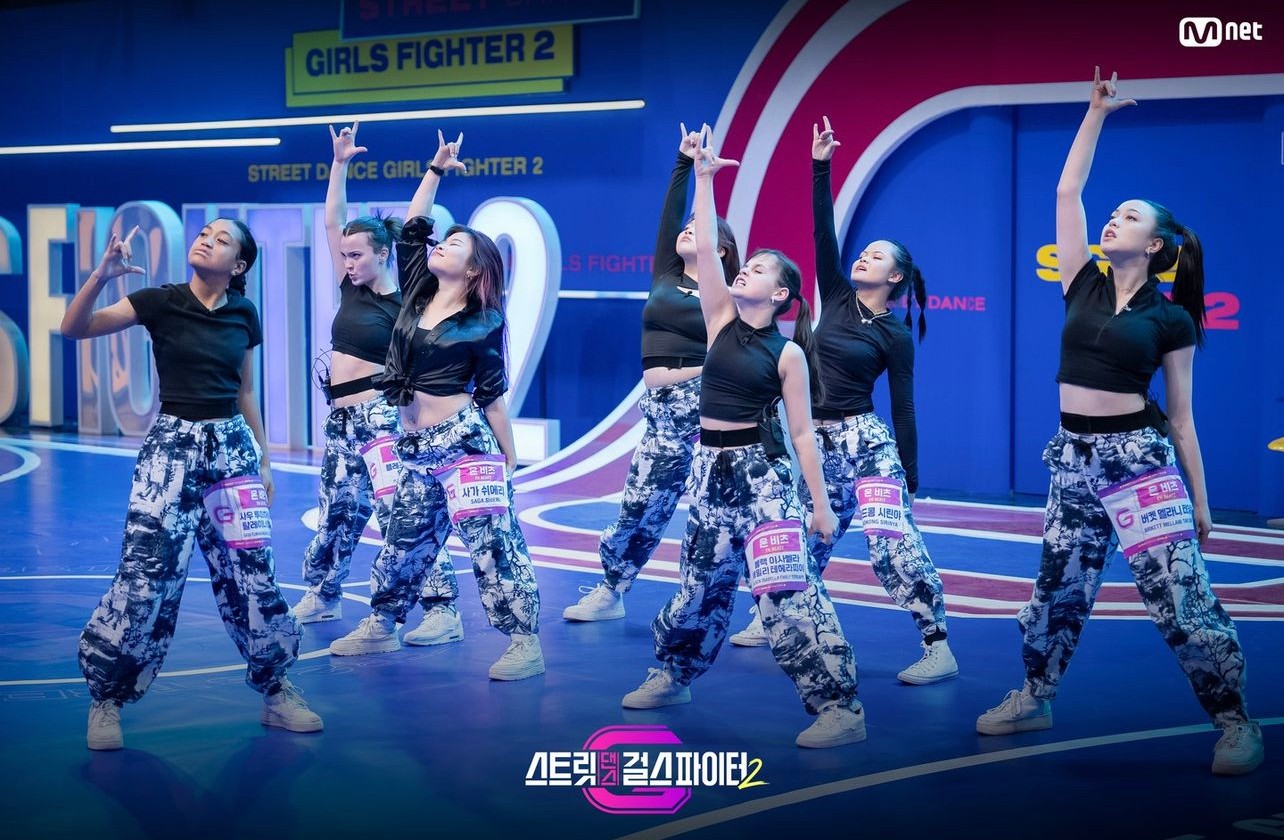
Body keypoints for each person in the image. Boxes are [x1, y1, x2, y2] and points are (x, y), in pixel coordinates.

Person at [975, 68, 1262, 776]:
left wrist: (1199, 500)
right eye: (1116, 214)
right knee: (1055, 591)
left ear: (1159, 246)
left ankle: (1235, 723)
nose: (1113, 220)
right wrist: (1094, 113)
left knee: (1180, 600)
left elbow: (1184, 420)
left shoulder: (1171, 319)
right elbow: (1067, 191)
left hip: (1140, 462)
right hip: (1072, 458)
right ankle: (1036, 694)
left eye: (1130, 217)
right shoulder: (1083, 280)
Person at [622, 128, 863, 748]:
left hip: (762, 478)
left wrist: (820, 504)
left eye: (755, 267)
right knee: (699, 586)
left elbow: (805, 436)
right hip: (709, 469)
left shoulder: (787, 355)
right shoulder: (717, 318)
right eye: (740, 263)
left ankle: (839, 706)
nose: (740, 268)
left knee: (786, 592)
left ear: (779, 294)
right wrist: (702, 177)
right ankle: (675, 672)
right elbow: (703, 244)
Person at [66, 219, 322, 750]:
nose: (205, 239)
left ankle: (276, 689)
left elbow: (246, 391)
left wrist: (265, 462)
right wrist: (102, 275)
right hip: (171, 451)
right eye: (204, 232)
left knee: (253, 576)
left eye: (221, 239)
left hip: (232, 448)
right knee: (145, 578)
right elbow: (75, 327)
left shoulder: (243, 313)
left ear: (240, 265)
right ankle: (107, 700)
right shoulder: (160, 301)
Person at [730, 117, 957, 686]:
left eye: (876, 257)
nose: (863, 258)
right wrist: (820, 165)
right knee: (802, 534)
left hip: (866, 441)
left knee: (889, 543)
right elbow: (821, 231)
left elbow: (903, 407)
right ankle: (777, 613)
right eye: (864, 253)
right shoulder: (834, 293)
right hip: (814, 438)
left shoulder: (896, 334)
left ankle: (936, 644)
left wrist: (909, 473)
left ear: (895, 276)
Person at [328, 131, 544, 681]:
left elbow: (490, 392)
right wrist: (436, 168)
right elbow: (415, 224)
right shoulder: (419, 293)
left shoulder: (484, 321)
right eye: (443, 243)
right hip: (416, 444)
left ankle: (523, 641)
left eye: (456, 245)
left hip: (464, 444)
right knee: (403, 542)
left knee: (493, 544)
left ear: (474, 269)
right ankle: (382, 624)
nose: (441, 245)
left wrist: (508, 454)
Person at [293, 122, 462, 648]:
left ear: (382, 254)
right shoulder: (351, 286)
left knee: (403, 516)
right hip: (341, 419)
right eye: (344, 256)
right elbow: (331, 221)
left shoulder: (406, 300)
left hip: (383, 420)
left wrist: (434, 171)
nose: (346, 262)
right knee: (338, 510)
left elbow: (414, 222)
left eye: (357, 255)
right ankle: (323, 594)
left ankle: (441, 608)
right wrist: (339, 163)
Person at [565, 124, 740, 622]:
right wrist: (683, 163)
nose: (687, 230)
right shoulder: (665, 274)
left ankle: (752, 604)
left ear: (721, 250)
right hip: (662, 416)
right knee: (638, 510)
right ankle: (611, 589)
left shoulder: (726, 291)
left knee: (724, 518)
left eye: (699, 230)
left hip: (709, 413)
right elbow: (670, 220)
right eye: (686, 228)